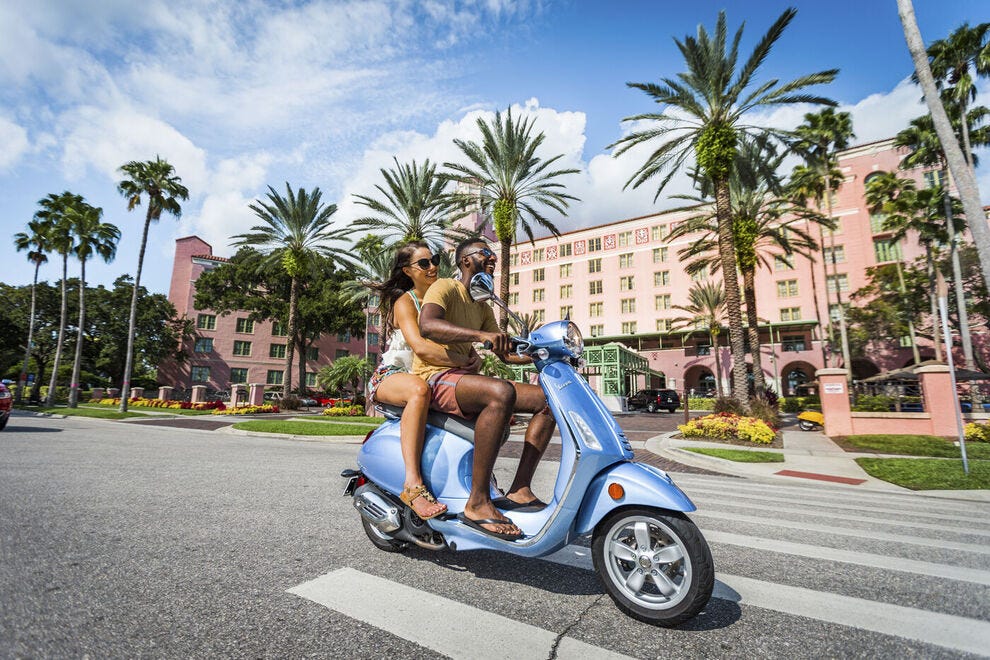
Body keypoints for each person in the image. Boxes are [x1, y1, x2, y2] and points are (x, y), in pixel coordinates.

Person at [415, 238, 557, 540]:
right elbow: (427, 325)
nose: (494, 259)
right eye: (487, 254)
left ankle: (519, 489)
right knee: (500, 392)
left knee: (547, 400)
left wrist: (540, 353)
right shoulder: (444, 287)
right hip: (435, 376)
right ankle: (478, 502)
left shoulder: (481, 302)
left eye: (494, 255)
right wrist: (480, 335)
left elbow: (503, 351)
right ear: (466, 261)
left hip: (463, 380)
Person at [368, 241, 480, 520]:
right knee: (418, 390)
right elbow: (419, 346)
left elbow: (459, 337)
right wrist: (460, 360)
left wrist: (475, 356)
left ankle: (475, 487)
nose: (433, 267)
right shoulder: (406, 302)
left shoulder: (444, 297)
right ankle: (413, 485)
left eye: (435, 260)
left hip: (434, 374)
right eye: (424, 263)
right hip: (395, 375)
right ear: (407, 270)